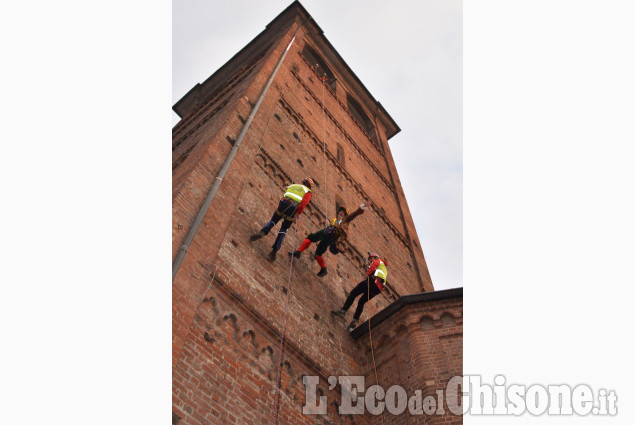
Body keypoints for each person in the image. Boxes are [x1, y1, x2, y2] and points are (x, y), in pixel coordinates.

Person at [289, 201, 372, 277]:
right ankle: (323, 269)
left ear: (345, 215)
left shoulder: (345, 220)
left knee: (311, 238)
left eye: (343, 212)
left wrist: (362, 208)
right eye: (340, 211)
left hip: (330, 233)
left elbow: (354, 215)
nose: (341, 212)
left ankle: (298, 252)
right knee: (318, 253)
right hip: (330, 237)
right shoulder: (335, 220)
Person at [250, 177, 313, 262]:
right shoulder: (307, 191)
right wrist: (297, 214)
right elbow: (303, 204)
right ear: (309, 186)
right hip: (292, 208)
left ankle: (263, 232)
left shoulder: (293, 185)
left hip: (283, 203)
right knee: (283, 229)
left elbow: (284, 195)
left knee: (273, 220)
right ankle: (274, 251)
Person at [331, 252, 388, 332]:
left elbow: (372, 268)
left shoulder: (377, 261)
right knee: (361, 302)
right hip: (377, 289)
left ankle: (343, 311)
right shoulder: (384, 268)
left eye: (370, 259)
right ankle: (354, 322)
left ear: (374, 257)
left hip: (372, 282)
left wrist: (367, 273)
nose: (370, 261)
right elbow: (377, 272)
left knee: (353, 293)